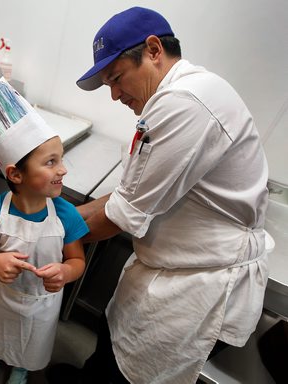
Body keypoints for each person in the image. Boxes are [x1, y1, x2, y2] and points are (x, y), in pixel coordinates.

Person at [47, 6, 269, 384]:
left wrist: (44, 231)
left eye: (117, 79)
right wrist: (59, 217)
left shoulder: (185, 102)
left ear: (153, 50)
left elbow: (119, 216)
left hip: (196, 285)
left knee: (129, 372)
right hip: (167, 267)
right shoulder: (177, 97)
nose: (115, 95)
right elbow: (126, 195)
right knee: (113, 333)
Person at [0, 80, 89, 384]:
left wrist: (65, 272)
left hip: (44, 303)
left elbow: (77, 262)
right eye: (51, 162)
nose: (63, 169)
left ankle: (21, 368)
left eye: (61, 158)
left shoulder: (66, 215)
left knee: (34, 342)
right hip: (6, 298)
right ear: (16, 174)